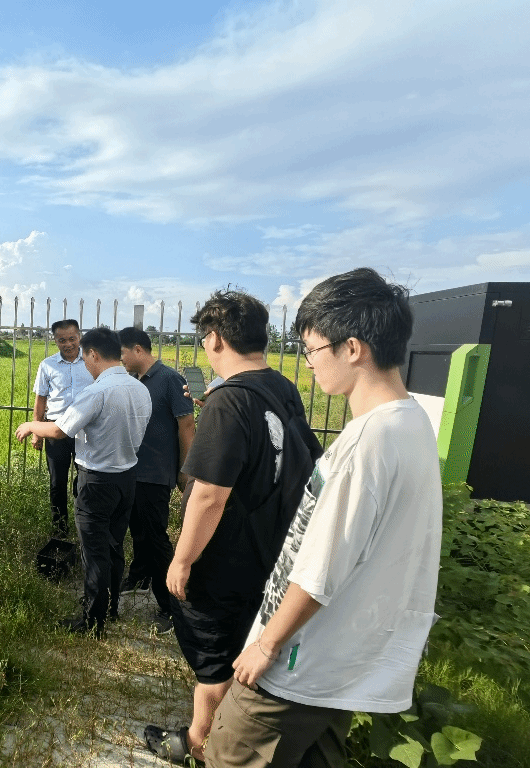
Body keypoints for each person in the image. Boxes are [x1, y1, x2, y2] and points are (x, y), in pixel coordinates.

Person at [205, 268, 443, 768]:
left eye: (312, 349)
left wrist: (267, 645)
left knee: (229, 755)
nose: (308, 362)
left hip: (298, 662)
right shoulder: (411, 421)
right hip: (339, 662)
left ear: (352, 348)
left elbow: (320, 571)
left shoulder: (367, 442)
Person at [145, 290, 313, 765]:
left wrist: (182, 559)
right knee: (241, 645)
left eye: (204, 338)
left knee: (213, 660)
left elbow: (209, 494)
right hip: (271, 549)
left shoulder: (229, 401)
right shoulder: (280, 387)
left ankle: (202, 746)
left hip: (225, 557)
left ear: (215, 338)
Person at [16, 327, 152, 638]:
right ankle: (111, 607)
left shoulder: (97, 392)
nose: (85, 365)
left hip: (97, 482)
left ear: (92, 354)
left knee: (94, 553)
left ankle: (92, 620)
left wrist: (31, 425)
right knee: (114, 546)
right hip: (127, 478)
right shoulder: (139, 388)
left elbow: (60, 430)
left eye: (85, 358)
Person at [118, 326, 195, 633]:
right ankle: (140, 576)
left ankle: (172, 607)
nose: (120, 359)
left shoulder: (169, 379)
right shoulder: (136, 380)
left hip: (156, 472)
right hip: (135, 470)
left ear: (138, 349)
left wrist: (186, 470)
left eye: (122, 353)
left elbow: (186, 425)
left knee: (155, 538)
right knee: (138, 530)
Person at [31, 319, 94, 537]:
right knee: (57, 481)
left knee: (85, 479)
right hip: (55, 429)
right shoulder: (47, 365)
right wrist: (37, 432)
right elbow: (41, 399)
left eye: (72, 339)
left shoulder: (91, 361)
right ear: (55, 341)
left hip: (86, 430)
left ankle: (84, 524)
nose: (68, 344)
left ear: (80, 337)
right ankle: (60, 529)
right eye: (62, 340)